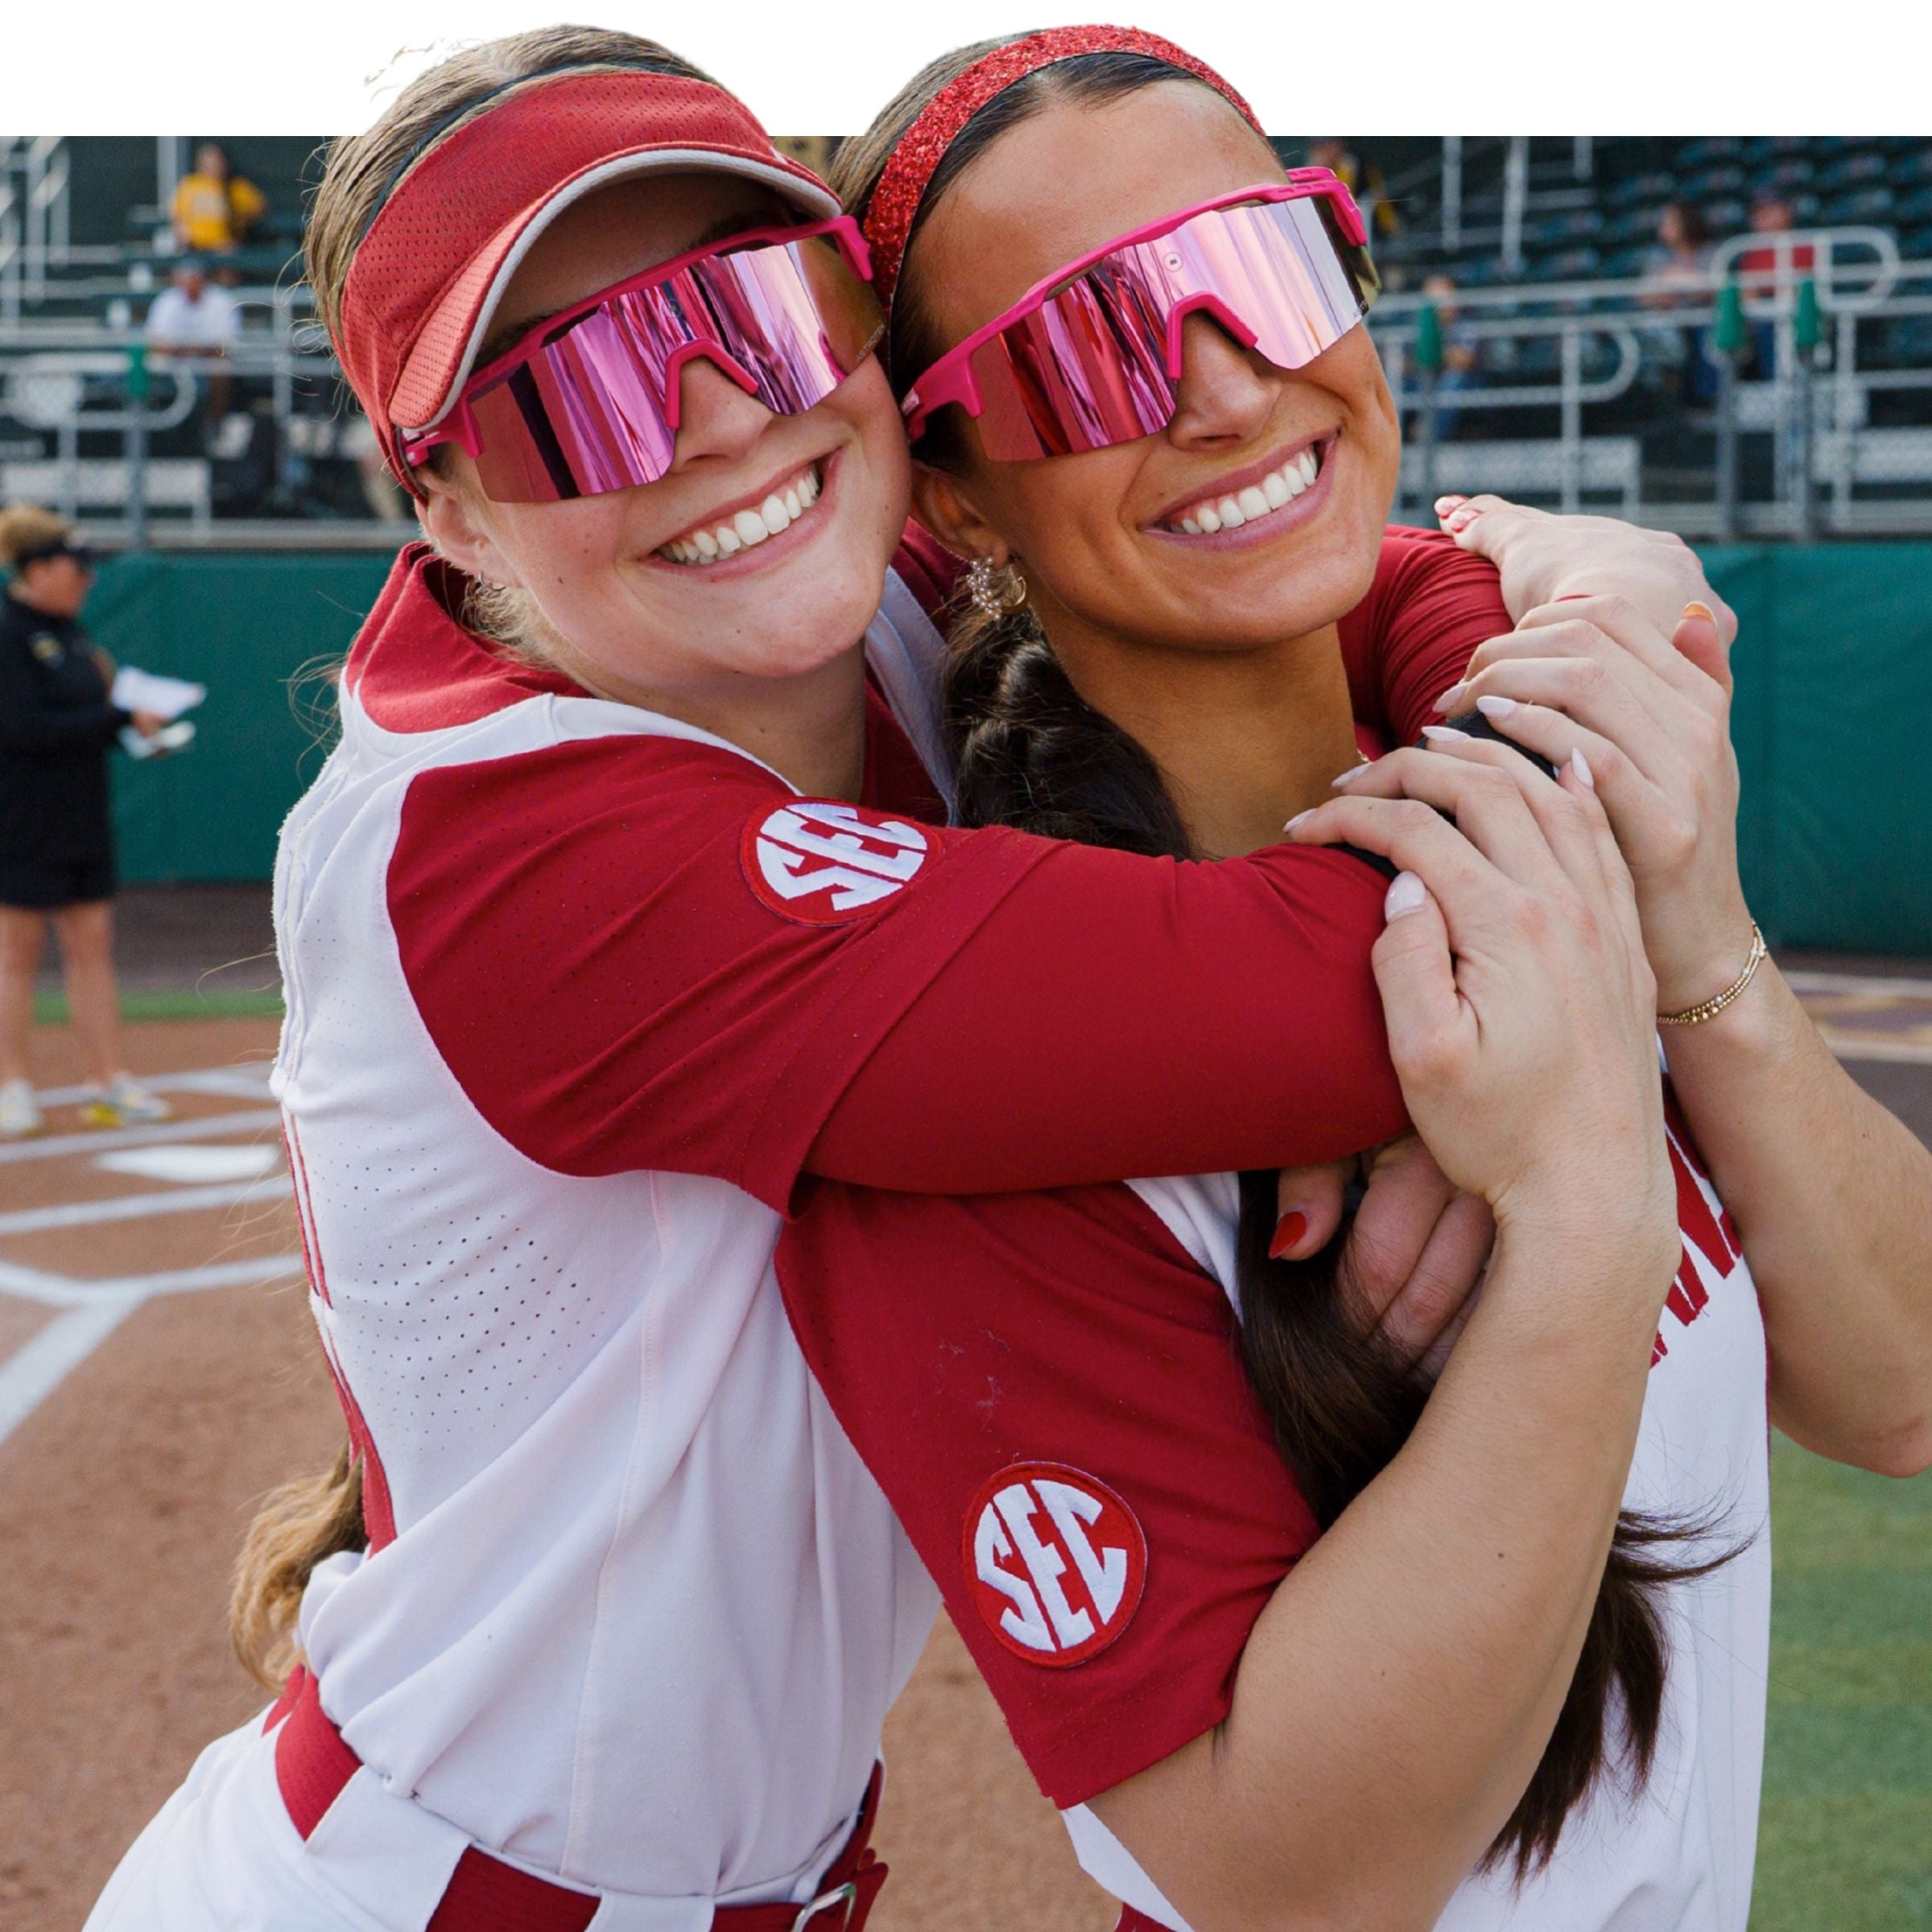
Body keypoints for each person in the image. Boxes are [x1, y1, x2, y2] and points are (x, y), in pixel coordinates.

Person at [80, 27, 1767, 1932]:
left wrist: (1543, 591)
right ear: (449, 512)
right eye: (579, 398)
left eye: (755, 319)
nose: (714, 419)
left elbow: (1335, 572)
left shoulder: (820, 590)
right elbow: (1294, 986)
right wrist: (1581, 782)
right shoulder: (496, 849)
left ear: (863, 352)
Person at [775, 28, 1932, 1932]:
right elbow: (1281, 1880)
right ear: (959, 498)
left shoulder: (1538, 795)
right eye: (1088, 344)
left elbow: (1894, 1388)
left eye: (1259, 266)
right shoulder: (970, 1083)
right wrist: (1579, 1207)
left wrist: (1697, 942)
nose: (1227, 387)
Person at [0, 506, 171, 1136]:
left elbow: (88, 719)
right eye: (77, 568)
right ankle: (10, 1086)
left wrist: (132, 721)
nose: (88, 579)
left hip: (81, 814)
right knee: (16, 952)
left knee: (92, 947)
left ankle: (107, 1082)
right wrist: (117, 722)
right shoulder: (8, 632)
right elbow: (21, 729)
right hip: (22, 817)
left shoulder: (74, 636)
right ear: (39, 568)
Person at [170, 141, 266, 255]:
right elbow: (177, 217)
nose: (212, 166)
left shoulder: (236, 187)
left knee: (229, 263)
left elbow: (260, 208)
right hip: (195, 247)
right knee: (187, 267)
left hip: (226, 247)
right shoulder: (190, 186)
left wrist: (239, 221)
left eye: (216, 161)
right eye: (208, 162)